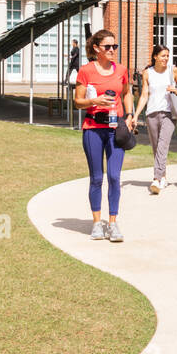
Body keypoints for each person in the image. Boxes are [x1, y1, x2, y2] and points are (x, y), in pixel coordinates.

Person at [74, 29, 136, 242]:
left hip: (116, 128)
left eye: (114, 46)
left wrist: (129, 115)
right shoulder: (86, 71)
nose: (112, 50)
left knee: (115, 177)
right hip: (93, 128)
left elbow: (127, 93)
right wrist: (95, 101)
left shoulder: (121, 70)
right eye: (107, 47)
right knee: (97, 178)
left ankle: (113, 223)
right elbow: (77, 101)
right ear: (96, 49)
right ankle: (96, 223)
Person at [132, 44, 177, 195]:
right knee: (156, 148)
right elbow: (144, 95)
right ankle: (163, 176)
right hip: (151, 114)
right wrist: (136, 115)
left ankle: (156, 179)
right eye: (163, 55)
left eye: (167, 56)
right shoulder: (147, 73)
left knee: (162, 146)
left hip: (168, 113)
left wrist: (175, 90)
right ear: (155, 56)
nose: (166, 58)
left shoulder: (172, 70)